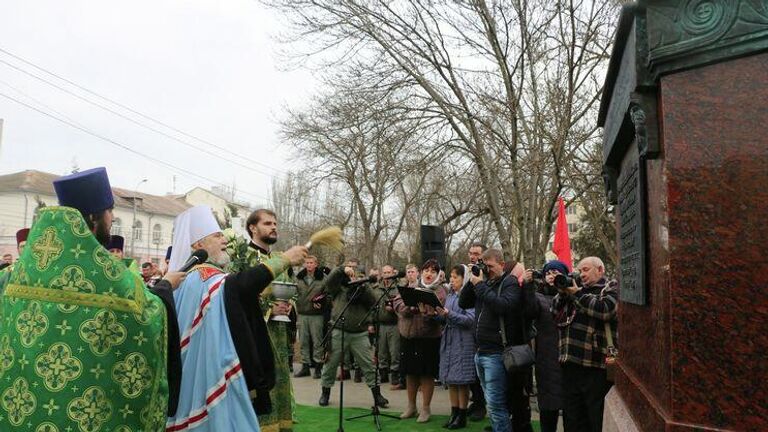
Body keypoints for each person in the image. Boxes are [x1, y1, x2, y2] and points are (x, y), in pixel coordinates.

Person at [0, 167, 184, 431]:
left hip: (25, 413)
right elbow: (149, 315)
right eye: (109, 212)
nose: (112, 219)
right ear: (93, 218)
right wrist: (165, 287)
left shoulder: (17, 274)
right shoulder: (113, 278)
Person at [166, 205, 308, 432]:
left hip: (200, 366)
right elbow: (238, 287)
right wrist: (284, 259)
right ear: (197, 245)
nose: (224, 240)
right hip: (209, 370)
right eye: (216, 235)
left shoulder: (190, 278)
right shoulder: (203, 276)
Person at [227, 208, 303, 432]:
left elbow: (293, 292)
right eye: (268, 223)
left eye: (275, 224)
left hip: (279, 334)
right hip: (254, 336)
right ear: (253, 227)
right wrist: (270, 307)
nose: (273, 227)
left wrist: (289, 306)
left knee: (279, 379)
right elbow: (236, 297)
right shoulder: (241, 258)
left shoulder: (280, 260)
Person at [459, 248, 532, 432]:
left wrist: (480, 286)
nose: (488, 270)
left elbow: (503, 306)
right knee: (491, 403)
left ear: (501, 264)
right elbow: (463, 303)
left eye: (490, 266)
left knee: (495, 405)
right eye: (485, 266)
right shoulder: (485, 283)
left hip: (497, 353)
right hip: (480, 351)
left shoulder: (510, 283)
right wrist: (473, 279)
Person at [552, 257, 618, 432]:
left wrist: (577, 294)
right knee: (572, 419)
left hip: (595, 367)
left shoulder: (610, 287)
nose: (582, 274)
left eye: (586, 270)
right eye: (580, 271)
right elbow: (554, 312)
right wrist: (562, 292)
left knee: (595, 418)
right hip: (570, 365)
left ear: (600, 269)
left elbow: (606, 310)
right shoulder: (573, 290)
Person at [317, 258, 389, 409]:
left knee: (369, 365)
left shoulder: (364, 288)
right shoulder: (337, 288)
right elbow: (328, 281)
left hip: (360, 333)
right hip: (338, 330)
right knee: (330, 364)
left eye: (355, 271)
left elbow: (374, 301)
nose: (352, 273)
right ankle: (325, 393)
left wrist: (362, 284)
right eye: (350, 270)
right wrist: (342, 268)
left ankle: (377, 395)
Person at [393, 258, 446, 423]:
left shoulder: (440, 290)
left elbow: (439, 311)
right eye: (426, 270)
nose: (429, 274)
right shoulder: (411, 286)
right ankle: (411, 406)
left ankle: (425, 408)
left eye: (433, 271)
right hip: (407, 336)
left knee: (426, 374)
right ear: (421, 272)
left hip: (428, 338)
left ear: (438, 274)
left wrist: (429, 312)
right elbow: (397, 303)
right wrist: (410, 308)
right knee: (410, 373)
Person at [525, 260, 568, 432]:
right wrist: (527, 287)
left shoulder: (571, 294)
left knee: (571, 411)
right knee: (548, 409)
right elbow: (529, 312)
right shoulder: (538, 296)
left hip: (568, 359)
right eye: (548, 273)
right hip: (546, 360)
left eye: (556, 272)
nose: (552, 276)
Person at [436, 265, 476, 429]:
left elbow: (470, 320)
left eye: (455, 277)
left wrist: (448, 314)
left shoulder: (470, 296)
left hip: (463, 340)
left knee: (462, 381)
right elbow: (445, 319)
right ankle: (453, 413)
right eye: (451, 277)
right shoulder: (450, 295)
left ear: (464, 278)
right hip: (449, 339)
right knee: (451, 380)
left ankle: (462, 415)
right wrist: (435, 314)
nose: (451, 280)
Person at [294, 255, 330, 379]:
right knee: (303, 341)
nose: (309, 265)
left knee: (317, 341)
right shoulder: (298, 278)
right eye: (307, 263)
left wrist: (323, 302)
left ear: (316, 264)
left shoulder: (323, 279)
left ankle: (318, 367)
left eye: (311, 263)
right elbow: (294, 293)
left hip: (317, 315)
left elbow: (329, 295)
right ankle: (305, 367)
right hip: (303, 314)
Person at [465, 242, 487, 422]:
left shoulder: (489, 274)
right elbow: (464, 301)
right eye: (471, 253)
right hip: (473, 331)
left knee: (485, 374)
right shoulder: (470, 272)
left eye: (477, 254)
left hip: (487, 330)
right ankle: (477, 401)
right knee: (474, 370)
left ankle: (483, 405)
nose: (473, 257)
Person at [370, 264, 401, 389]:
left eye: (389, 272)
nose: (387, 275)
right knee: (381, 351)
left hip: (394, 324)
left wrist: (394, 308)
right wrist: (371, 323)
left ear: (393, 273)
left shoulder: (398, 289)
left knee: (394, 351)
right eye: (385, 273)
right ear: (381, 274)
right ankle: (383, 373)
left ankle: (394, 374)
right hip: (380, 324)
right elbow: (371, 308)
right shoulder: (376, 289)